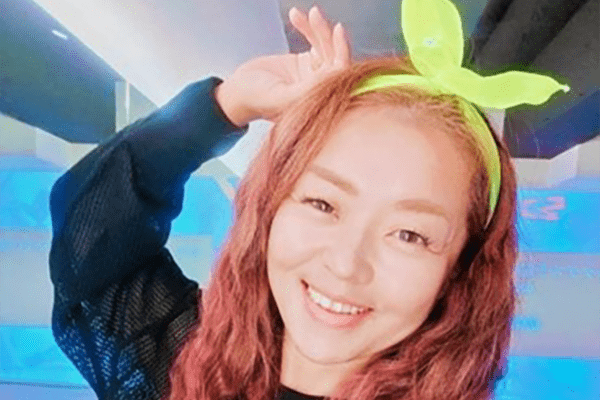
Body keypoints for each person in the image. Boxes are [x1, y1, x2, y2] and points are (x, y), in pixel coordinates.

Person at [49, 1, 568, 399]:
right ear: (270, 208)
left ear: (461, 271)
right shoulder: (181, 361)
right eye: (323, 204)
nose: (345, 265)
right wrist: (228, 105)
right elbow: (89, 237)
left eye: (409, 235)